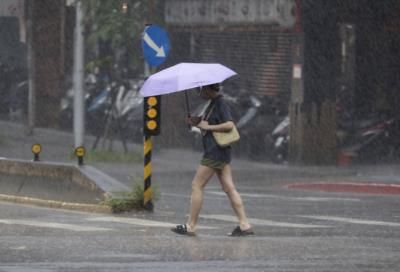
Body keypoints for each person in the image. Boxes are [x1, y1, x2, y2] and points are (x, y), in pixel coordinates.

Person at [171, 83, 254, 237]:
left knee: (197, 185)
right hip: (220, 152)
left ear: (208, 89)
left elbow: (229, 125)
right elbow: (209, 122)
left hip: (214, 152)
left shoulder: (221, 103)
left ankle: (191, 225)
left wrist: (208, 128)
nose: (198, 92)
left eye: (200, 89)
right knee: (229, 188)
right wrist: (196, 121)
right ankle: (244, 224)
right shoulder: (213, 104)